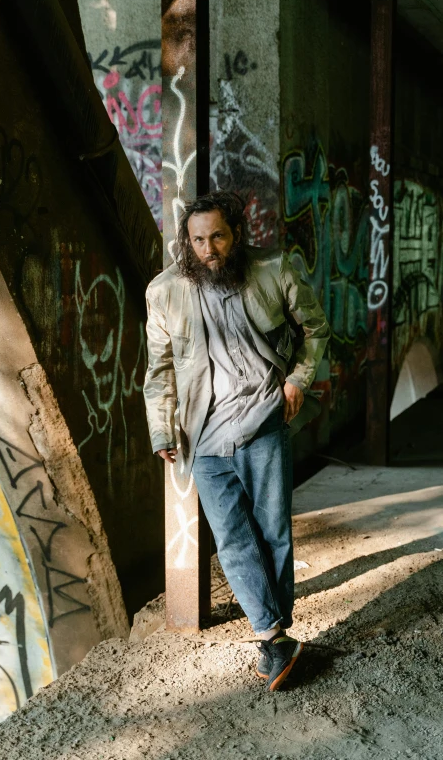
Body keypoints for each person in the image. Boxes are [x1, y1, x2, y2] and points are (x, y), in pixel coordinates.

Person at [143, 191, 330, 691]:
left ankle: (276, 635)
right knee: (231, 539)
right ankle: (273, 636)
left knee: (272, 532)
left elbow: (315, 329)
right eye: (198, 239)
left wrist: (298, 379)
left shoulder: (274, 270)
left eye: (218, 237)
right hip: (202, 435)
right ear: (188, 241)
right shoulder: (163, 292)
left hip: (263, 421)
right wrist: (162, 427)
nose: (209, 249)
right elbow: (159, 370)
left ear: (237, 234)